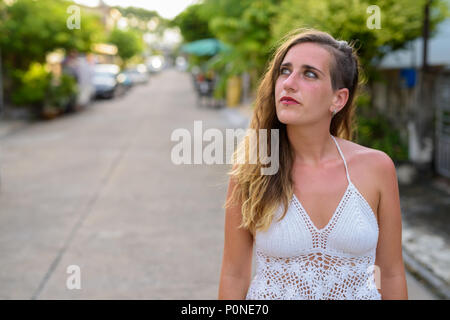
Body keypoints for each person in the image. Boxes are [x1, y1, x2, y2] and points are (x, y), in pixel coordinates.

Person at [218, 28, 408, 300]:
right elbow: (234, 274)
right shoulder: (251, 170)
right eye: (285, 71)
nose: (289, 83)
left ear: (338, 99)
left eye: (309, 74)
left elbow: (390, 272)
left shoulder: (376, 168)